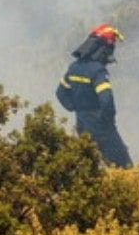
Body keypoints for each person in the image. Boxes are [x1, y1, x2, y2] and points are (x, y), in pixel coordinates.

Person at [55, 23, 133, 168]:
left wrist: (75, 108)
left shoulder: (74, 67)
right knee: (124, 166)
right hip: (102, 128)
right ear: (103, 48)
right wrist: (107, 122)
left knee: (90, 167)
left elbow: (60, 93)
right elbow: (106, 100)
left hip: (82, 126)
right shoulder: (98, 71)